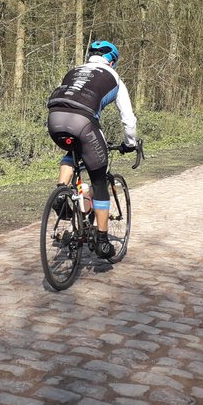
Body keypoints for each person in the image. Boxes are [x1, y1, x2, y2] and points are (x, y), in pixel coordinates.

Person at [46, 40, 138, 260]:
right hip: (83, 121)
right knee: (98, 180)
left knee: (73, 149)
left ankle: (61, 190)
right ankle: (103, 241)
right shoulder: (114, 77)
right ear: (112, 60)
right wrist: (130, 143)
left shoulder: (74, 70)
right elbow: (128, 119)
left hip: (54, 119)